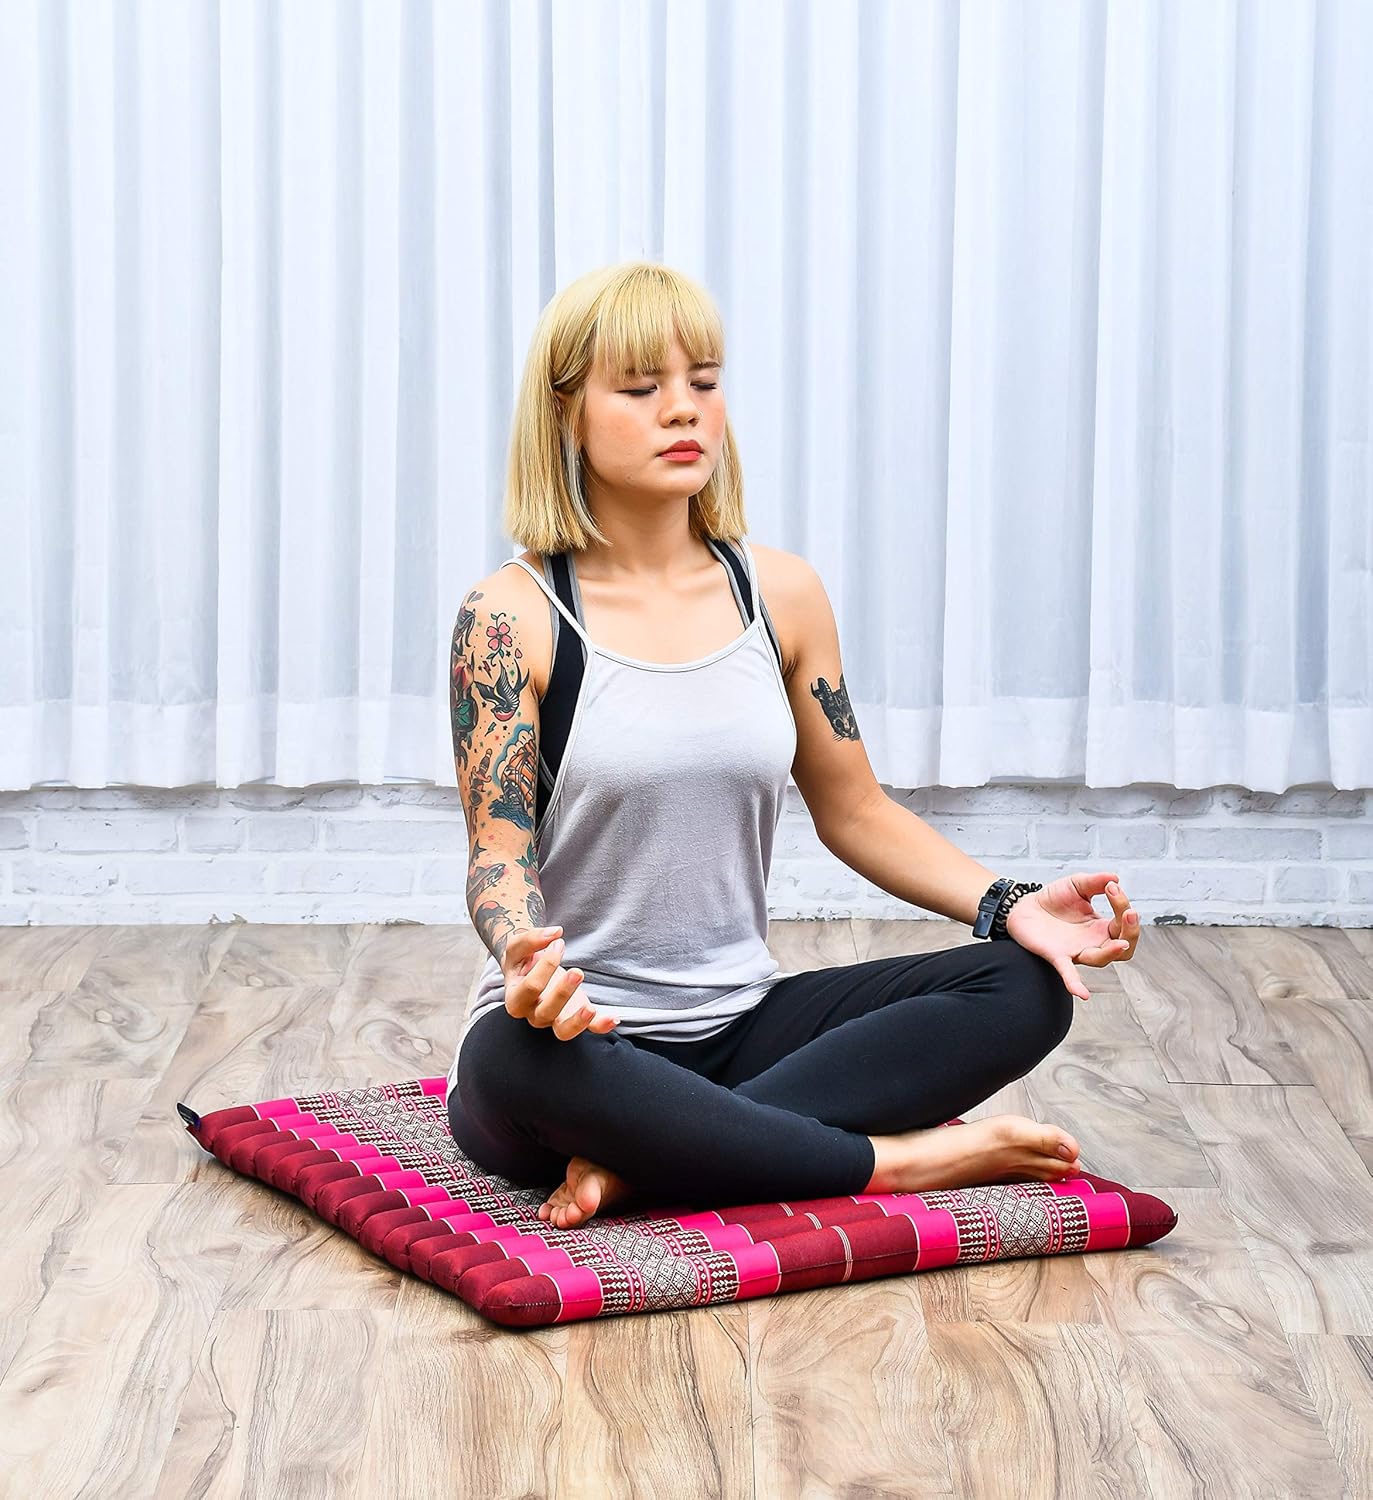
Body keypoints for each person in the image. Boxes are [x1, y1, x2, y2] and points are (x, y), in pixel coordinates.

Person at [446, 260, 1141, 1230]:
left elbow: (854, 810)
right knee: (507, 1060)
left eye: (703, 381)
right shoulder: (510, 616)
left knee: (1023, 986)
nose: (682, 409)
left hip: (743, 1030)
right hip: (580, 1044)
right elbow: (498, 853)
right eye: (640, 388)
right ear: (565, 416)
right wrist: (523, 957)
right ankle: (894, 1163)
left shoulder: (780, 595)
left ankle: (653, 1162)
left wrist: (1010, 904)